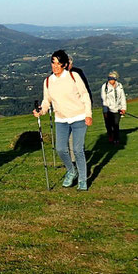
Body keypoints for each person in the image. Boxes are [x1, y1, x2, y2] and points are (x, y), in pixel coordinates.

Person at [33, 49, 93, 191]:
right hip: (61, 120)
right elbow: (46, 101)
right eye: (53, 63)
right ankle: (72, 171)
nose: (55, 66)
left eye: (58, 64)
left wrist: (88, 114)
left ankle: (83, 180)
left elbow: (85, 95)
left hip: (78, 117)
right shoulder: (48, 81)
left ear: (65, 65)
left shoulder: (74, 76)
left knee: (77, 149)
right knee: (60, 149)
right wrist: (41, 110)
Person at [101, 70, 127, 144]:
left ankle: (116, 139)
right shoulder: (104, 87)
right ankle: (110, 135)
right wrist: (105, 111)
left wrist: (123, 108)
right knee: (109, 124)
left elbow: (122, 97)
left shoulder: (120, 86)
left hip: (117, 109)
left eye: (111, 79)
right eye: (109, 79)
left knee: (116, 124)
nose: (110, 81)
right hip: (108, 109)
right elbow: (104, 99)